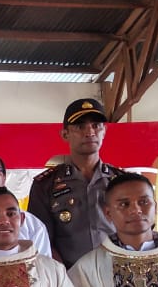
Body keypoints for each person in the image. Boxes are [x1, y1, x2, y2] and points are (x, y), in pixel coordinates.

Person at [27, 98, 123, 267]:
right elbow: (41, 238)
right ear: (65, 134)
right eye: (80, 127)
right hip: (69, 278)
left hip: (116, 273)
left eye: (96, 126)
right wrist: (63, 276)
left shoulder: (122, 181)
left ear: (104, 131)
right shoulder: (45, 184)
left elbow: (137, 230)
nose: (90, 132)